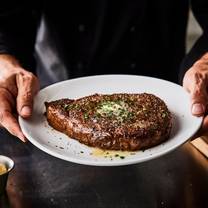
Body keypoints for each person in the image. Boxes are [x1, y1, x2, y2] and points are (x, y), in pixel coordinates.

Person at [0, 1, 208, 142]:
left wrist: (204, 63)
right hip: (60, 90)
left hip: (173, 97)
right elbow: (10, 18)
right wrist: (4, 60)